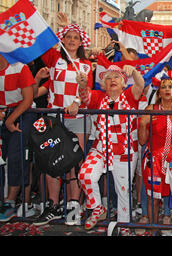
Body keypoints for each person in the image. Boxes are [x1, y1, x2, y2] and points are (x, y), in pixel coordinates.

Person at [33, 23, 93, 227]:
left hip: (77, 120)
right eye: (68, 36)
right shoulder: (54, 59)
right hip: (54, 118)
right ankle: (53, 205)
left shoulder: (86, 65)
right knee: (52, 161)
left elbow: (88, 95)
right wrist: (57, 26)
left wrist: (77, 102)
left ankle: (74, 205)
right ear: (63, 40)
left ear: (81, 41)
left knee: (75, 162)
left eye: (76, 37)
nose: (72, 40)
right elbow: (43, 42)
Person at [76, 64, 144, 236]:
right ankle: (97, 208)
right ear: (104, 84)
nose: (112, 80)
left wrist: (134, 71)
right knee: (85, 174)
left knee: (123, 190)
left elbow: (140, 85)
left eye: (116, 77)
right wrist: (82, 85)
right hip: (101, 148)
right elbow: (84, 96)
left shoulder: (129, 95)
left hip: (125, 151)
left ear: (123, 83)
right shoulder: (99, 97)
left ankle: (124, 225)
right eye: (108, 78)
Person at [138, 74, 172, 235]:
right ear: (158, 93)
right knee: (152, 197)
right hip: (153, 161)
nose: (166, 89)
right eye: (163, 86)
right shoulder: (151, 110)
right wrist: (143, 124)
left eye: (170, 86)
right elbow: (142, 141)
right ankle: (152, 229)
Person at [0, 54, 36, 222]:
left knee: (16, 157)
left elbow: (28, 99)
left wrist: (10, 118)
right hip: (4, 116)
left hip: (22, 115)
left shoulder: (20, 67)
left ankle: (11, 202)